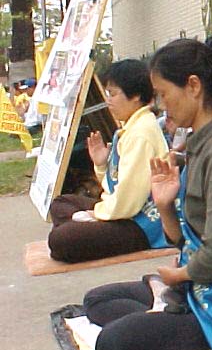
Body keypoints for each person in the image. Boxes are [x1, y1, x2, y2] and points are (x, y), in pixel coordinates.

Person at [82, 36, 212, 350]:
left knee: (112, 345)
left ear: (193, 86)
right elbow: (184, 240)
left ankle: (171, 315)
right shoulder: (201, 144)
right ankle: (164, 312)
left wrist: (179, 276)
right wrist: (164, 206)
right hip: (198, 280)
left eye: (163, 94)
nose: (162, 106)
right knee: (96, 300)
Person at [48, 59, 169, 262]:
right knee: (60, 203)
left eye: (113, 94)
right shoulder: (130, 127)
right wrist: (102, 164)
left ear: (136, 96)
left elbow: (129, 199)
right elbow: (116, 184)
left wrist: (95, 214)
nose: (108, 101)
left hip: (140, 223)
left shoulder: (141, 133)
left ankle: (84, 231)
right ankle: (86, 230)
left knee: (60, 239)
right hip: (122, 211)